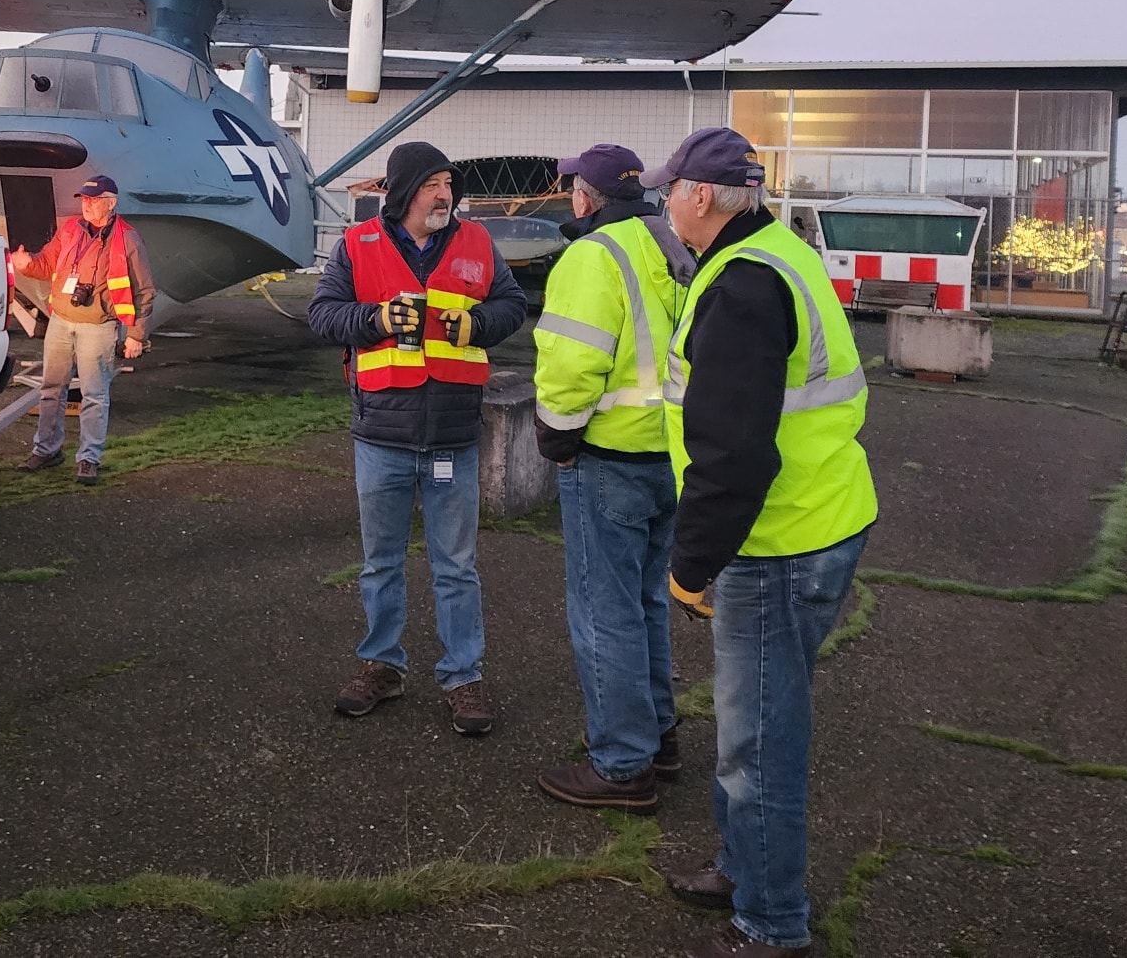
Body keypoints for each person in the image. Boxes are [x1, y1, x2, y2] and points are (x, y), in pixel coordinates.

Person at [643, 128, 879, 958]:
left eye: (669, 188)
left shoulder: (741, 286)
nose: (665, 201)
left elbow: (732, 451)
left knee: (759, 742)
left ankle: (772, 926)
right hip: (814, 518)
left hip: (777, 541)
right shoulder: (775, 252)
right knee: (752, 727)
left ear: (700, 196)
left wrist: (691, 563)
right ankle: (741, 872)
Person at [307, 141, 527, 735]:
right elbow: (322, 315)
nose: (444, 194)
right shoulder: (356, 246)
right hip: (382, 434)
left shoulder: (479, 243)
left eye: (448, 184)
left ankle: (464, 676)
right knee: (381, 563)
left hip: (453, 433)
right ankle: (382, 665)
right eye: (432, 184)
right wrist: (375, 320)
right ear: (404, 191)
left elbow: (512, 306)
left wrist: (479, 323)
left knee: (457, 566)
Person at [530, 145, 691, 811]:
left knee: (605, 615)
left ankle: (623, 765)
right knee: (647, 602)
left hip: (608, 458)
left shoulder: (593, 256)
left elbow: (571, 366)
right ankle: (658, 734)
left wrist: (557, 443)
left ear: (584, 197)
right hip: (671, 457)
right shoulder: (676, 246)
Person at [9, 174, 154, 487]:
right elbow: (46, 263)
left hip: (99, 329)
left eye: (93, 200)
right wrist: (25, 263)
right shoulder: (71, 229)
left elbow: (144, 291)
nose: (86, 205)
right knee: (50, 389)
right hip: (60, 322)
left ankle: (89, 458)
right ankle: (46, 450)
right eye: (84, 199)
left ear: (111, 203)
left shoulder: (128, 238)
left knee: (94, 396)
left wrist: (136, 335)